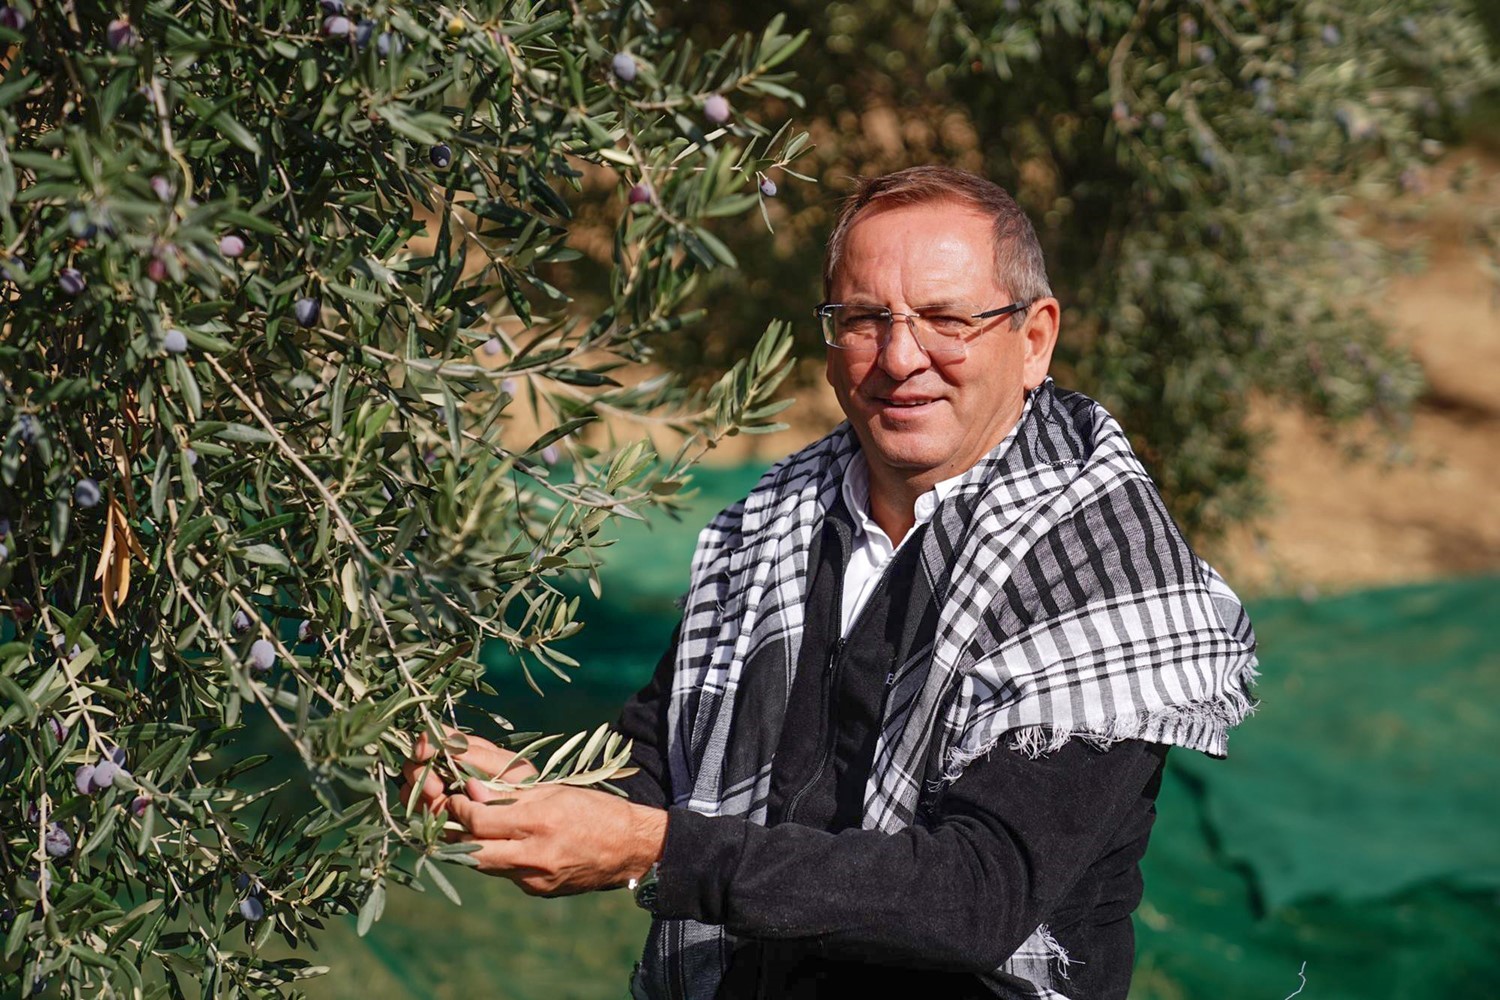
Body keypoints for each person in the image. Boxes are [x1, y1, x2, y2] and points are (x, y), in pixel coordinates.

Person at [401, 166, 1258, 1000]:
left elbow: (974, 896)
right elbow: (664, 761)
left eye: (945, 319)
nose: (899, 356)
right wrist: (527, 792)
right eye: (863, 318)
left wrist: (653, 852)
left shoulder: (1104, 579)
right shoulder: (769, 526)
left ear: (1033, 339)